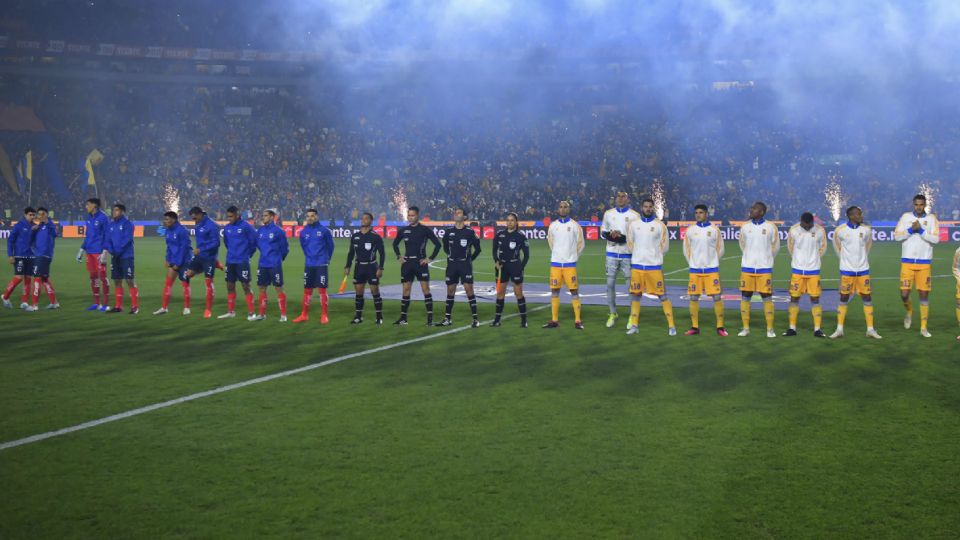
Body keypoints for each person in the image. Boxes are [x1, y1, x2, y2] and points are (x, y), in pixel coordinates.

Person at [625, 198, 676, 336]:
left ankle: (671, 326)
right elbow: (630, 243)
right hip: (637, 266)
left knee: (663, 296)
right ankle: (634, 325)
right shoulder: (634, 225)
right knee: (636, 296)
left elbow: (665, 247)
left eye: (650, 207)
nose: (648, 209)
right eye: (645, 206)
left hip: (654, 267)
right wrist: (638, 254)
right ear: (642, 208)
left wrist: (653, 255)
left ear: (653, 208)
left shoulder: (660, 225)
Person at [830, 206, 882, 339]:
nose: (861, 215)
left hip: (863, 270)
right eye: (859, 214)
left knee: (867, 298)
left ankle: (870, 329)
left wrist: (862, 259)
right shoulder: (840, 231)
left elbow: (868, 245)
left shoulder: (866, 230)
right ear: (851, 216)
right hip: (847, 271)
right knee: (843, 298)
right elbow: (837, 247)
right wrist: (845, 262)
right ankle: (839, 329)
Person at [894, 194, 940, 338]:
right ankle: (909, 312)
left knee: (923, 295)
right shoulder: (906, 217)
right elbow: (897, 236)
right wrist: (910, 230)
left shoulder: (931, 219)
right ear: (913, 204)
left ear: (925, 204)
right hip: (907, 263)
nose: (919, 207)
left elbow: (936, 239)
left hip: (924, 264)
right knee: (904, 294)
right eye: (916, 204)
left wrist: (920, 230)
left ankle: (923, 328)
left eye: (921, 204)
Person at [391, 205, 441, 326]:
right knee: (406, 290)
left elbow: (438, 245)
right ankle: (403, 318)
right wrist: (399, 256)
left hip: (420, 264)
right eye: (409, 215)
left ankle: (429, 319)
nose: (410, 217)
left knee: (425, 290)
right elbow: (395, 244)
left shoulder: (424, 230)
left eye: (413, 215)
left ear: (417, 216)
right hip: (407, 264)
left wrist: (430, 258)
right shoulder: (403, 230)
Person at [682, 204, 727, 336]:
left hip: (711, 270)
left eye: (701, 212)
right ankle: (695, 327)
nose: (698, 215)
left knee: (717, 297)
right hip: (695, 270)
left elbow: (721, 249)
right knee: (694, 297)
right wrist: (693, 262)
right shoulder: (690, 230)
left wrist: (712, 261)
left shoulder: (714, 230)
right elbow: (686, 250)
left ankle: (720, 327)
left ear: (706, 214)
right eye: (696, 213)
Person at [738, 201, 780, 338]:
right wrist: (749, 257)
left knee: (767, 298)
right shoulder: (745, 227)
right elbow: (742, 244)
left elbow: (775, 247)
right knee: (745, 297)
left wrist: (766, 259)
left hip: (764, 268)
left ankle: (770, 329)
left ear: (761, 212)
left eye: (754, 209)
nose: (751, 210)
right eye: (751, 208)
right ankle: (745, 328)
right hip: (747, 267)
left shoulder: (771, 227)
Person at [600, 191, 640, 328]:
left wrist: (622, 237)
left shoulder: (635, 215)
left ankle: (632, 315)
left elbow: (637, 235)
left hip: (628, 255)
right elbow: (603, 232)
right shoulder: (608, 213)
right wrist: (612, 236)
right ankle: (613, 313)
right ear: (615, 199)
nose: (621, 198)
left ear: (627, 199)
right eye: (618, 196)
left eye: (623, 196)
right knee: (610, 285)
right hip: (611, 254)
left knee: (630, 287)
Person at [784, 212, 827, 337]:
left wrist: (814, 259)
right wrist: (799, 260)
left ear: (813, 222)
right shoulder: (793, 230)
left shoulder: (820, 230)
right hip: (797, 270)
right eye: (805, 225)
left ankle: (817, 329)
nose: (808, 227)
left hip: (813, 271)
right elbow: (790, 247)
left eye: (810, 225)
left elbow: (823, 247)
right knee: (794, 297)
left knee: (815, 298)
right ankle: (792, 328)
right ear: (801, 221)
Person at [544, 200, 585, 329]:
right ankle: (554, 320)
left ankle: (578, 321)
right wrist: (557, 255)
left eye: (565, 207)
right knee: (554, 291)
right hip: (556, 263)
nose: (562, 209)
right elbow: (551, 243)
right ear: (558, 209)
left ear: (569, 209)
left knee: (574, 291)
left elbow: (581, 244)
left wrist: (573, 258)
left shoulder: (575, 226)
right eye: (560, 207)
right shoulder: (553, 226)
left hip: (569, 265)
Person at [438, 208, 481, 328]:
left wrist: (469, 259)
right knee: (450, 291)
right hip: (452, 265)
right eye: (455, 212)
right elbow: (445, 247)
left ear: (465, 217)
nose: (456, 214)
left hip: (464, 265)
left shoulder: (470, 232)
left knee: (469, 290)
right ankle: (447, 318)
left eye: (459, 212)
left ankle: (475, 319)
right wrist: (451, 256)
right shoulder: (448, 232)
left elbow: (478, 249)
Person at [294, 209, 335, 324]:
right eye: (308, 216)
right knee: (307, 290)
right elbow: (304, 247)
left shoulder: (324, 231)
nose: (310, 218)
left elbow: (331, 246)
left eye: (312, 216)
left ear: (316, 217)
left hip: (321, 263)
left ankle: (324, 315)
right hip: (309, 264)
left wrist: (327, 259)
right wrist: (309, 257)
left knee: (322, 290)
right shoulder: (303, 232)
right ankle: (304, 315)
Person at [344, 212, 385, 325]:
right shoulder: (355, 236)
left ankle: (379, 317)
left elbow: (382, 253)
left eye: (366, 219)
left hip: (371, 267)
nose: (363, 220)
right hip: (359, 267)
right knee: (359, 293)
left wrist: (380, 268)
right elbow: (351, 253)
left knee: (375, 291)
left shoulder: (375, 237)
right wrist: (347, 266)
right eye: (362, 219)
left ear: (371, 221)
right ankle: (358, 317)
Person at [491, 212, 529, 327]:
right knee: (500, 293)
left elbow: (526, 255)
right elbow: (494, 250)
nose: (509, 222)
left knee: (518, 293)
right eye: (508, 220)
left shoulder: (521, 236)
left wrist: (520, 268)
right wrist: (496, 261)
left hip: (515, 266)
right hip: (502, 267)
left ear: (516, 222)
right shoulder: (500, 234)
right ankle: (497, 320)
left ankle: (524, 321)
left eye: (512, 220)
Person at [218, 206, 257, 319]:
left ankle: (251, 313)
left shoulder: (246, 226)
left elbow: (253, 243)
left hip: (242, 261)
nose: (229, 218)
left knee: (246, 286)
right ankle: (231, 312)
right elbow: (226, 243)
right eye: (228, 216)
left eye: (231, 216)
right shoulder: (227, 228)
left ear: (237, 215)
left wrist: (248, 255)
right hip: (230, 261)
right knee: (230, 285)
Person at [253, 209, 289, 322]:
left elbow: (285, 249)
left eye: (265, 216)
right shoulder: (260, 231)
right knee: (261, 288)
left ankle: (283, 315)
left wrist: (278, 258)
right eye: (262, 215)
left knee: (278, 288)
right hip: (263, 264)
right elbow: (258, 245)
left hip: (274, 264)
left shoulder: (279, 231)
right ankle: (262, 314)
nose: (263, 217)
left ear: (272, 217)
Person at [154, 211, 193, 316]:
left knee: (185, 284)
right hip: (174, 260)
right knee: (168, 283)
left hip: (184, 261)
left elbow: (184, 248)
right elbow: (169, 247)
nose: (165, 221)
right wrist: (168, 259)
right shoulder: (168, 231)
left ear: (173, 220)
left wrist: (178, 263)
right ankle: (164, 308)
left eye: (167, 219)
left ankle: (186, 308)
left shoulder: (182, 231)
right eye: (165, 219)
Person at [103, 204, 139, 314]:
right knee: (117, 281)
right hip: (115, 256)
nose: (114, 212)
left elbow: (127, 240)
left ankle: (135, 307)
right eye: (113, 210)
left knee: (129, 280)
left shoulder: (128, 224)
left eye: (117, 210)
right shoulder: (111, 225)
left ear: (122, 212)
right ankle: (118, 306)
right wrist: (111, 250)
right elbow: (107, 240)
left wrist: (116, 251)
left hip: (126, 256)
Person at [186, 207, 221, 318]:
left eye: (194, 217)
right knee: (188, 274)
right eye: (192, 217)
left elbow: (216, 243)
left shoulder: (212, 225)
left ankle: (208, 309)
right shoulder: (198, 224)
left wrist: (201, 249)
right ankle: (216, 264)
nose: (193, 219)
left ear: (200, 214)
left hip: (209, 257)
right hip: (199, 256)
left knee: (208, 283)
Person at [78, 198, 110, 311]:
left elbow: (108, 235)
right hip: (90, 251)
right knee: (93, 277)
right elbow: (88, 236)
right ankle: (97, 303)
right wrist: (82, 250)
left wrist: (105, 251)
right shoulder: (88, 217)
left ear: (94, 205)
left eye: (88, 204)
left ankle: (106, 304)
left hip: (99, 252)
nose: (86, 206)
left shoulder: (103, 217)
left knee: (102, 277)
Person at [2, 207, 36, 309]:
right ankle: (5, 296)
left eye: (33, 215)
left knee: (28, 279)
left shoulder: (35, 226)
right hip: (19, 255)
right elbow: (10, 241)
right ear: (25, 215)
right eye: (30, 215)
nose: (32, 217)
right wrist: (10, 255)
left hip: (31, 256)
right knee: (19, 277)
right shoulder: (18, 226)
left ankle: (24, 302)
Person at [26, 207, 59, 311]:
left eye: (42, 214)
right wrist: (33, 230)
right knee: (44, 279)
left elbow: (55, 234)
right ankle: (54, 303)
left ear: (46, 214)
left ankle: (34, 305)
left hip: (43, 256)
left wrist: (47, 222)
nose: (40, 216)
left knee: (37, 278)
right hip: (40, 255)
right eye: (39, 214)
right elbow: (30, 241)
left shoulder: (50, 225)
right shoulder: (39, 226)